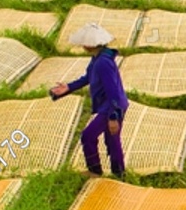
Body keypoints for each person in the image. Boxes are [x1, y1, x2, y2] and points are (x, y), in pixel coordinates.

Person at [50, 23, 128, 178]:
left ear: (89, 45)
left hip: (111, 107)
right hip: (115, 105)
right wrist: (69, 87)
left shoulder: (103, 63)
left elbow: (112, 91)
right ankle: (119, 173)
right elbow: (87, 78)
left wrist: (113, 117)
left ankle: (94, 171)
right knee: (112, 140)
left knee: (88, 136)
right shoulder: (98, 58)